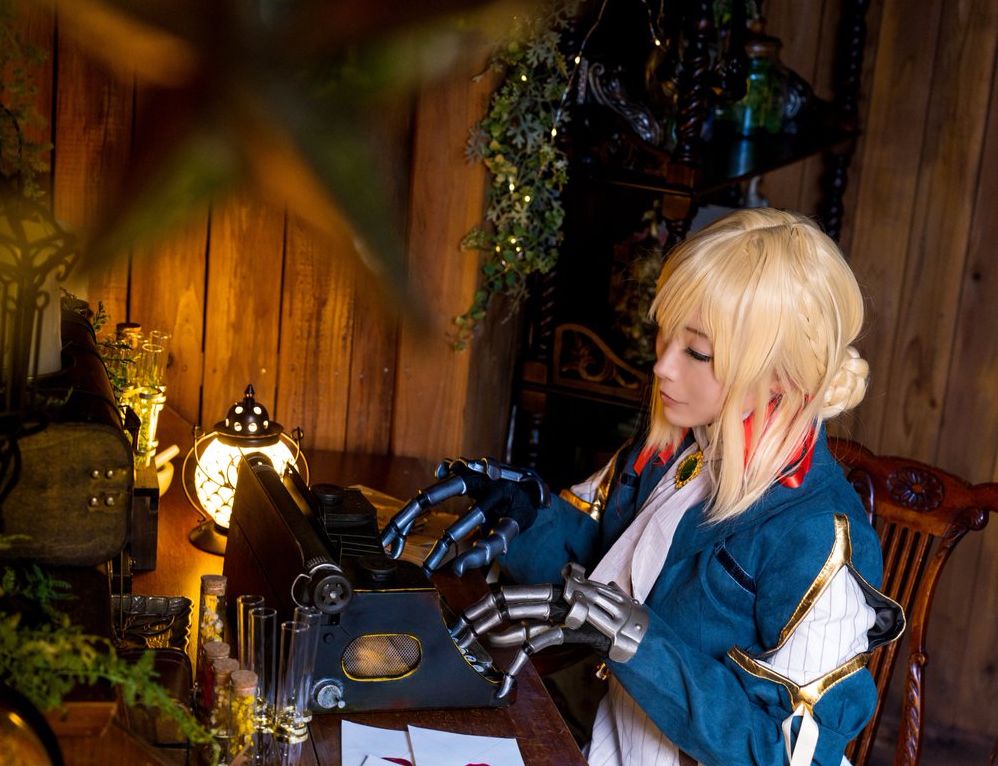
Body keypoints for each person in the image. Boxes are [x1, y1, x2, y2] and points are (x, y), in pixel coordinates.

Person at [383, 208, 905, 766]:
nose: (662, 366)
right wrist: (528, 516)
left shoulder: (820, 539)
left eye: (697, 352)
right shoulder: (673, 450)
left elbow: (790, 754)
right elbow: (597, 570)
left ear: (778, 374)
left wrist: (639, 642)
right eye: (664, 332)